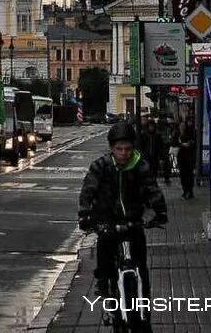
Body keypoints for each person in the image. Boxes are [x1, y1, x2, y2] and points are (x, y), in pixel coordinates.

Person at [79, 120, 167, 303]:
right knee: (105, 245)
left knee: (141, 266)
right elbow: (88, 190)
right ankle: (103, 283)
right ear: (112, 148)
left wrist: (159, 212)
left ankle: (144, 307)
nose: (123, 153)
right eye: (119, 149)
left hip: (133, 218)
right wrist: (85, 214)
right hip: (107, 218)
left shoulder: (140, 165)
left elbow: (152, 189)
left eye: (127, 149)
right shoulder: (101, 166)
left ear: (132, 147)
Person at [176, 116, 196, 199]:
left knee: (188, 175)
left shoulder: (189, 133)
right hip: (181, 157)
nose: (182, 128)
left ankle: (189, 191)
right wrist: (181, 144)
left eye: (183, 127)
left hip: (188, 157)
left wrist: (187, 144)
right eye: (181, 127)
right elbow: (174, 143)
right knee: (183, 175)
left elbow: (193, 142)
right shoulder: (177, 134)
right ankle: (185, 191)